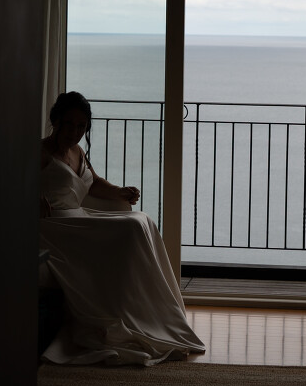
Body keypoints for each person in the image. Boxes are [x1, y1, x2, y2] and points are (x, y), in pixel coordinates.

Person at [38, 91, 205, 366]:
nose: (75, 132)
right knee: (130, 228)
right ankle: (134, 316)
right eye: (69, 124)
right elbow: (8, 183)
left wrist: (120, 192)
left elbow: (92, 182)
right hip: (56, 227)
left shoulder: (77, 151)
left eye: (81, 126)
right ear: (55, 120)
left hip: (78, 219)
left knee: (142, 220)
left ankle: (150, 314)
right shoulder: (39, 151)